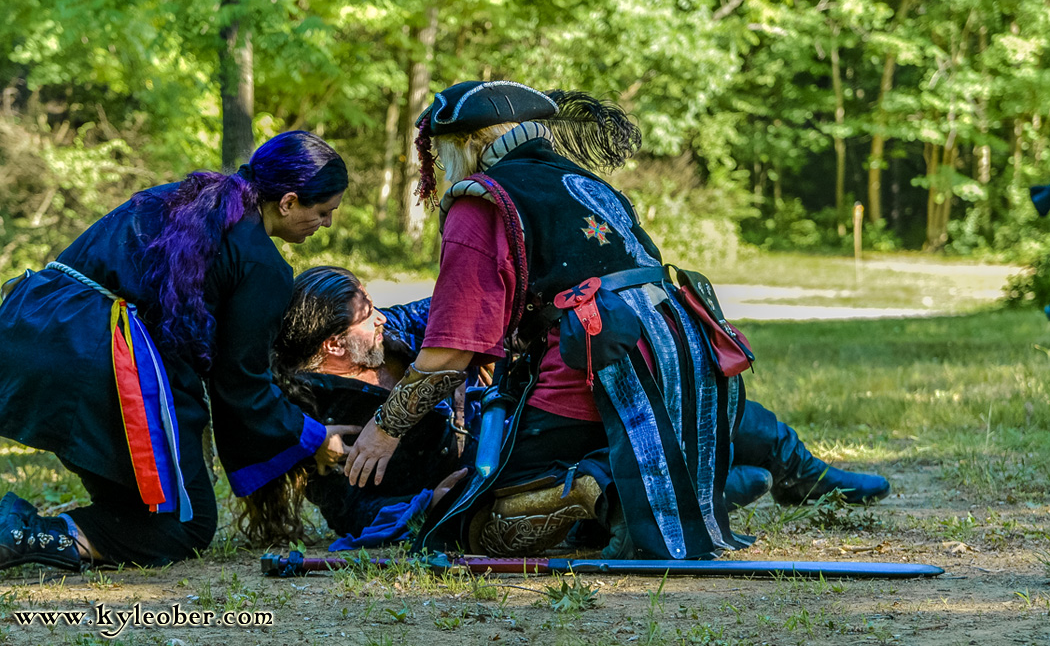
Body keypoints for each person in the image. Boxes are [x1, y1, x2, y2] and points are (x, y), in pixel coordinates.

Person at [344, 81, 884, 561]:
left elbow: (451, 352)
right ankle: (702, 486)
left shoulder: (482, 201)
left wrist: (383, 430)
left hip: (584, 374)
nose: (439, 164)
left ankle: (619, 492)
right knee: (687, 420)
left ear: (470, 144)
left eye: (440, 151)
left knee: (477, 529)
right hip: (680, 363)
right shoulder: (591, 187)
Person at [0, 131, 354, 572]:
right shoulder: (262, 263)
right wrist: (314, 437)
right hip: (93, 357)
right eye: (323, 212)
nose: (327, 224)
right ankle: (19, 533)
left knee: (146, 506)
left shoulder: (178, 197)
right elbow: (241, 385)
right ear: (287, 202)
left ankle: (33, 533)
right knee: (187, 525)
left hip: (28, 324)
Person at [240, 266, 469, 547]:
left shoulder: (389, 329)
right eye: (368, 315)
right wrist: (427, 504)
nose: (380, 317)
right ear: (334, 345)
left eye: (371, 306)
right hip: (462, 485)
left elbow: (457, 311)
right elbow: (349, 511)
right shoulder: (312, 411)